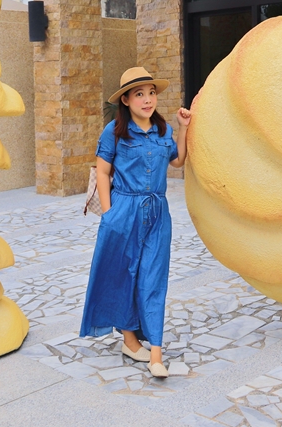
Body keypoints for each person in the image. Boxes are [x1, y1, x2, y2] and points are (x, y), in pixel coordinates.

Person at [79, 67, 192, 378]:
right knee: (123, 277)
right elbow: (102, 172)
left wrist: (183, 128)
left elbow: (178, 160)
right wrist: (110, 212)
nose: (147, 99)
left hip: (157, 213)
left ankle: (156, 353)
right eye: (139, 94)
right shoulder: (114, 131)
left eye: (151, 93)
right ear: (126, 100)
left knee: (153, 277)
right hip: (123, 211)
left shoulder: (163, 130)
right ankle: (130, 341)